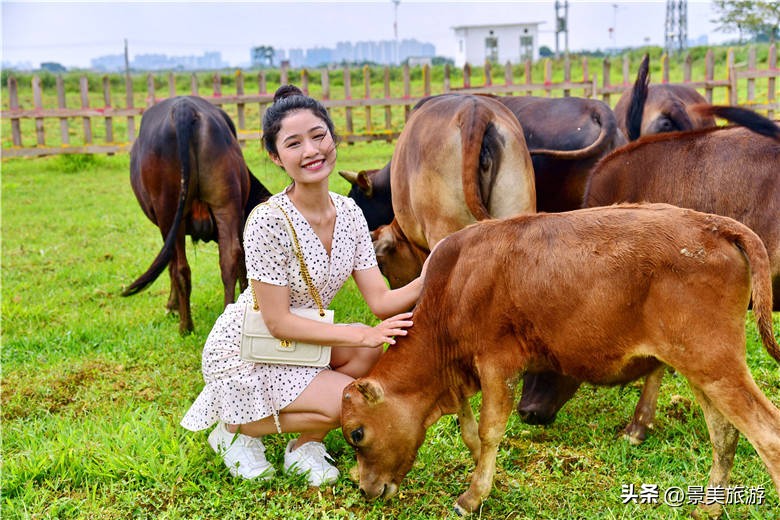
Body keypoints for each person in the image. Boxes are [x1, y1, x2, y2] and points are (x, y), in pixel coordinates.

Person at [180, 84, 425, 486]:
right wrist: (358, 334)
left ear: (333, 138)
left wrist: (434, 269)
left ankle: (303, 447)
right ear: (276, 158)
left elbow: (381, 300)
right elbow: (276, 321)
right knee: (353, 398)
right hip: (250, 348)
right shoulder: (266, 221)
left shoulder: (349, 213)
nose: (312, 150)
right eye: (294, 143)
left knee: (368, 355)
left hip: (304, 336)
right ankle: (233, 431)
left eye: (318, 136)